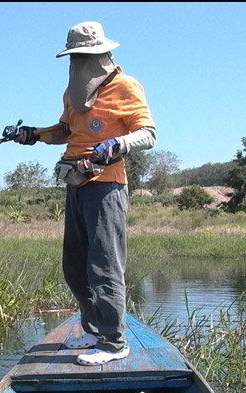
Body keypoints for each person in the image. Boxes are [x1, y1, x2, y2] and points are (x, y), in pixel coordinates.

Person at [10, 21, 156, 366]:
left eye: (83, 55)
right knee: (75, 267)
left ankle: (114, 342)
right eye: (74, 56)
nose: (78, 62)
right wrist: (34, 134)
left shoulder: (126, 86)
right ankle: (92, 328)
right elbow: (64, 130)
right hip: (75, 182)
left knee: (104, 265)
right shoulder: (72, 92)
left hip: (106, 185)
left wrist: (117, 143)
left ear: (103, 53)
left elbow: (148, 134)